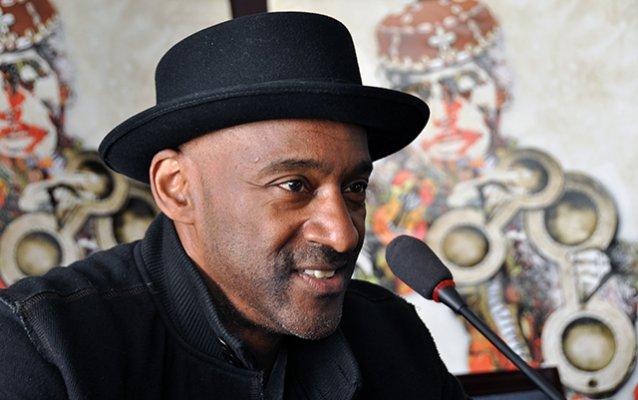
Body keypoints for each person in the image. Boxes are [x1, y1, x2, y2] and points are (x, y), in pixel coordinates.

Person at [0, 11, 467, 399]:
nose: (342, 234)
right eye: (294, 185)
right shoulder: (46, 348)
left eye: (354, 187)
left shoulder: (389, 334)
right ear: (177, 188)